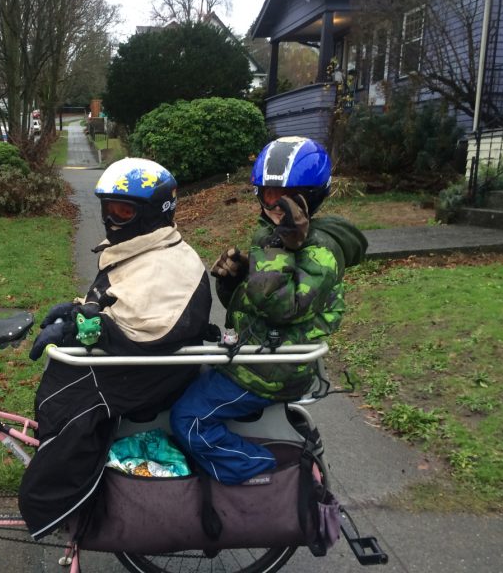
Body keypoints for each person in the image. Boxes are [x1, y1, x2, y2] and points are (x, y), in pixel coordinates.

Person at [19, 157, 212, 539]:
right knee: (64, 383)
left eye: (124, 210)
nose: (113, 219)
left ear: (154, 212)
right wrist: (79, 309)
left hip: (153, 370)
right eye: (108, 209)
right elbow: (121, 298)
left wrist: (82, 327)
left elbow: (139, 326)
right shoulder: (148, 244)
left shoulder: (169, 263)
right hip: (146, 362)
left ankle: (54, 505)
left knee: (71, 404)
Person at [170, 136, 368, 485]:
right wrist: (236, 278)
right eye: (268, 195)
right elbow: (250, 305)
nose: (276, 205)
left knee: (189, 419)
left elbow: (280, 308)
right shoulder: (276, 234)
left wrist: (277, 247)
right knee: (173, 383)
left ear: (314, 195)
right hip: (253, 356)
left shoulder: (320, 251)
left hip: (270, 371)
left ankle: (276, 474)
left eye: (287, 197)